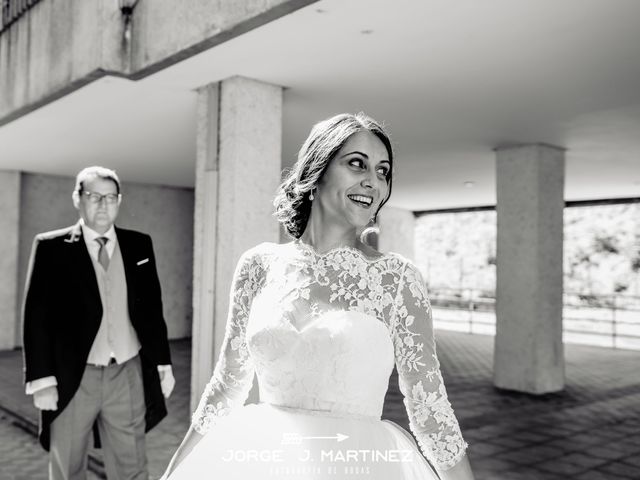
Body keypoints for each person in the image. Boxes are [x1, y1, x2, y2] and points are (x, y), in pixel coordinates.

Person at [162, 113, 475, 479]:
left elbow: (430, 410)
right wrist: (173, 472)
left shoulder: (397, 279)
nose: (372, 181)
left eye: (383, 171)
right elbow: (225, 388)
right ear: (317, 170)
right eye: (357, 164)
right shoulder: (258, 265)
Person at [22, 166, 176, 480]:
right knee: (68, 465)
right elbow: (36, 318)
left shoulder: (139, 245)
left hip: (126, 372)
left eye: (109, 197)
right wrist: (42, 380)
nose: (102, 205)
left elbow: (151, 310)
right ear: (78, 199)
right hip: (73, 376)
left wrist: (163, 362)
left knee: (132, 465)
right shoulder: (51, 247)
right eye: (93, 196)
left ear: (119, 201)